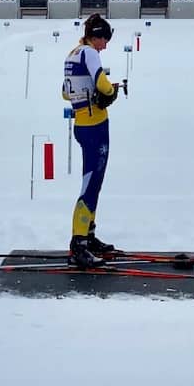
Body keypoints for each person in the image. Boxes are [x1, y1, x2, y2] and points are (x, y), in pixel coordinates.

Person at [61, 14, 121, 269]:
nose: (105, 45)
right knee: (91, 184)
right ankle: (79, 244)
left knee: (92, 183)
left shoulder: (73, 53)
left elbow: (65, 92)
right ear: (96, 36)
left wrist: (88, 95)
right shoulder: (90, 53)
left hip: (81, 123)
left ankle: (88, 235)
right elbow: (103, 84)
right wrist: (110, 91)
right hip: (95, 125)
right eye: (104, 40)